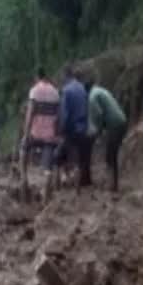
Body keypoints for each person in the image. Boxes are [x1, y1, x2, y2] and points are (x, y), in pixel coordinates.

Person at [21, 67, 61, 202]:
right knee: (47, 165)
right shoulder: (55, 92)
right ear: (46, 77)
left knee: (24, 149)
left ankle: (23, 179)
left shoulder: (34, 91)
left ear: (37, 77)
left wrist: (26, 133)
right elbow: (58, 116)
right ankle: (46, 194)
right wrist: (56, 133)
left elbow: (30, 113)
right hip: (50, 134)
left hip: (35, 133)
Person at [85, 81, 128, 192]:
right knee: (112, 155)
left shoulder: (92, 97)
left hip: (115, 125)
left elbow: (98, 115)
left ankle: (112, 186)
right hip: (121, 121)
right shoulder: (101, 90)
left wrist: (98, 131)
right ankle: (113, 184)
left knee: (110, 156)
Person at [57, 66, 91, 188]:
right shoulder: (82, 88)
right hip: (83, 128)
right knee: (77, 157)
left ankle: (65, 179)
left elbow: (65, 114)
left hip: (71, 129)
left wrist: (61, 130)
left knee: (59, 155)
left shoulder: (66, 91)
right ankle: (77, 180)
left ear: (66, 76)